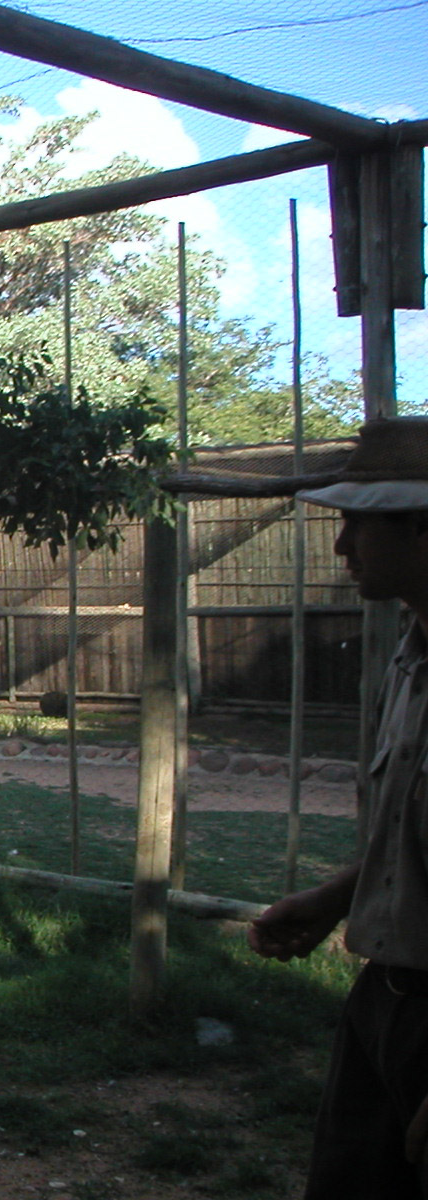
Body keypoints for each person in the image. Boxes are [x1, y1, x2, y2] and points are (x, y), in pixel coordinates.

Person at [249, 415, 428, 1198]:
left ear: (420, 529)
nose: (341, 544)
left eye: (357, 520)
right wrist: (337, 898)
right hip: (387, 995)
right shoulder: (411, 655)